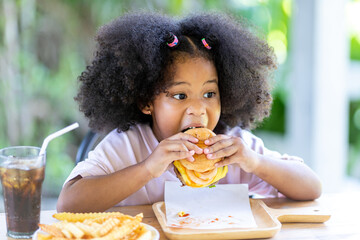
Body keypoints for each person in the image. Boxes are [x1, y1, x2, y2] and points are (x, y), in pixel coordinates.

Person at [57, 11, 322, 213]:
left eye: (209, 94)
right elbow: (68, 204)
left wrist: (255, 162)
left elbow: (312, 188)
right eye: (180, 95)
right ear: (146, 101)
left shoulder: (233, 148)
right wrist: (148, 168)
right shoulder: (128, 146)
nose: (198, 109)